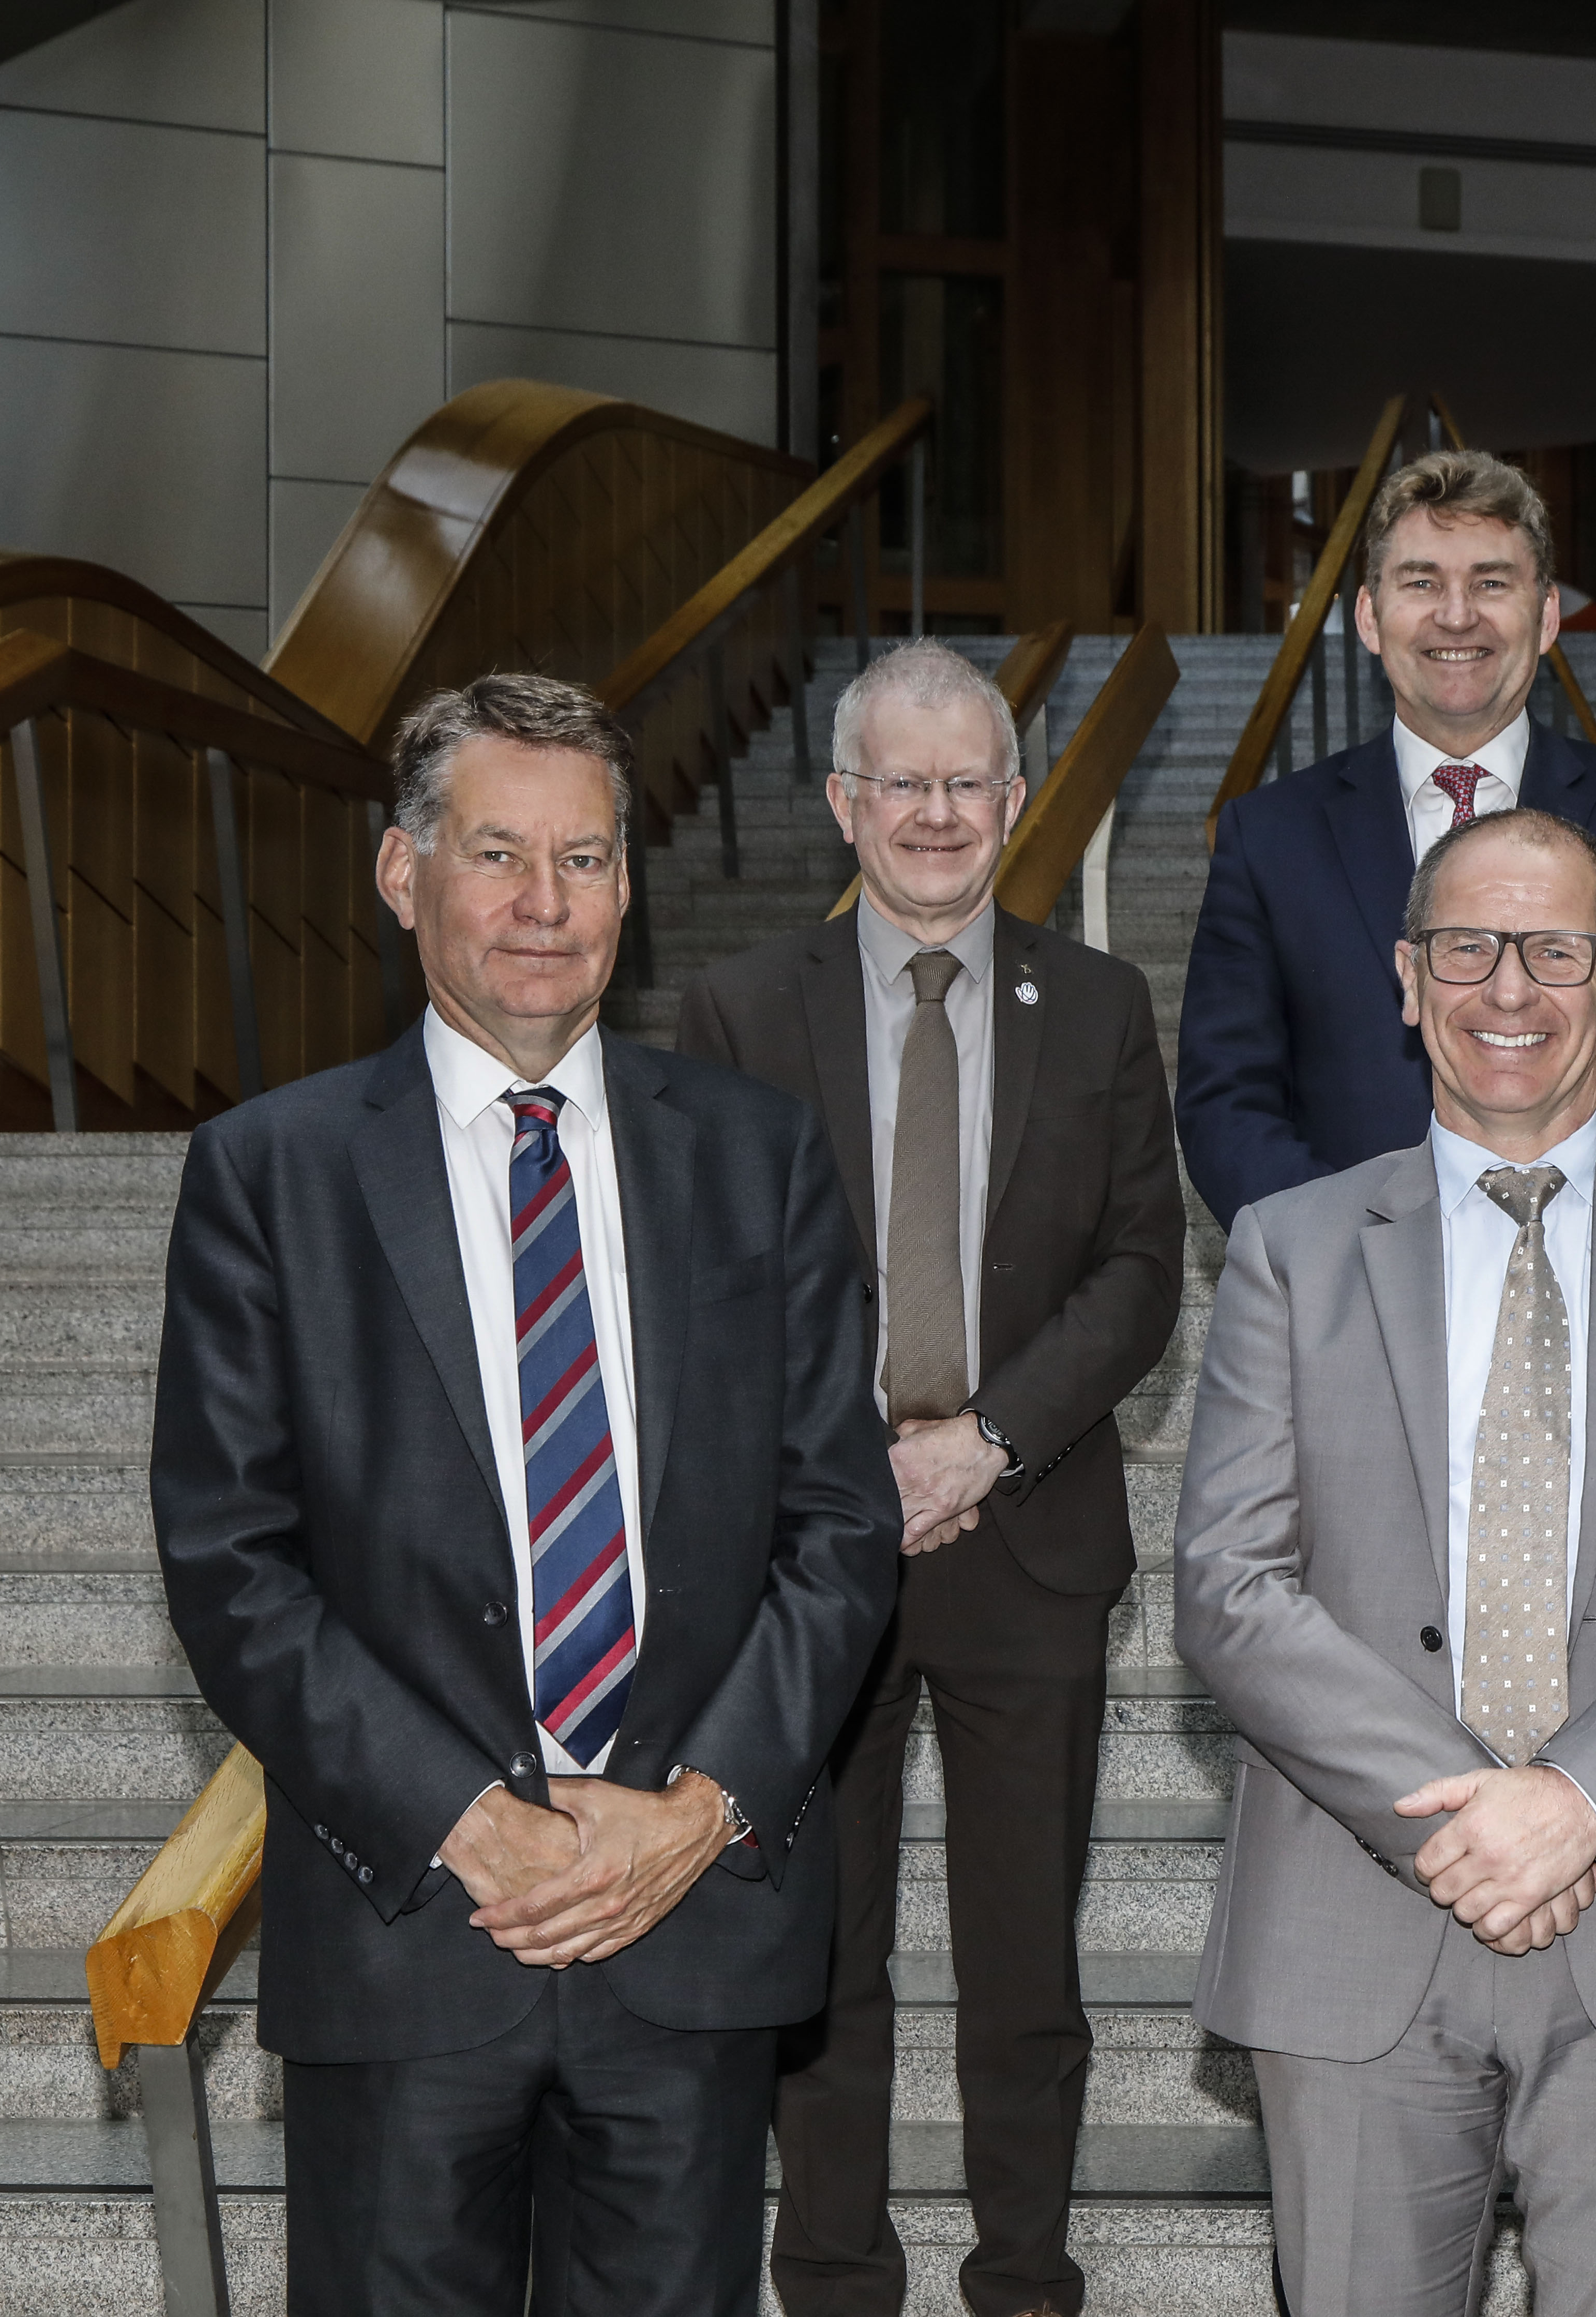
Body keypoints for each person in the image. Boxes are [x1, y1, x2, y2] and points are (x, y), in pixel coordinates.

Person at [149, 674, 899, 2316]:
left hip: (683, 1931)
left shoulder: (757, 1156)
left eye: (585, 858)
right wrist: (467, 1818)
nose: (544, 906)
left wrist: (699, 1811)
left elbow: (842, 1527)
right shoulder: (271, 1175)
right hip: (409, 1925)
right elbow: (230, 1559)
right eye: (499, 856)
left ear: (632, 883)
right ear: (404, 875)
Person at [1171, 807, 1596, 2316]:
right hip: (1360, 1923)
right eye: (1469, 947)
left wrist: (1578, 1805)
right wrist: (1470, 1820)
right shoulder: (1289, 1248)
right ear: (1408, 980)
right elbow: (1229, 1583)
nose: (1510, 989)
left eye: (1556, 950)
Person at [675, 640, 1186, 2317]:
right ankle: (831, 2278)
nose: (938, 813)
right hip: (816, 1555)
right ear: (842, 802)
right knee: (822, 1956)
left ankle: (1024, 2278)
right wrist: (859, 1470)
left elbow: (1137, 1270)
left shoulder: (1101, 1003)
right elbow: (719, 1278)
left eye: (971, 780)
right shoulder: (745, 1009)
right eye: (904, 781)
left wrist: (984, 1443)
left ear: (1018, 799)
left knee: (1024, 1967)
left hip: (1028, 1543)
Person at [1176, 448, 1596, 1227]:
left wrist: (1544, 1241)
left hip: (1591, 1283)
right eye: (1421, 582)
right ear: (1370, 617)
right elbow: (1226, 1101)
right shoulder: (1269, 837)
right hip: (1348, 1299)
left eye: (1491, 582)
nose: (1455, 614)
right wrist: (1352, 1254)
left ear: (1545, 617)